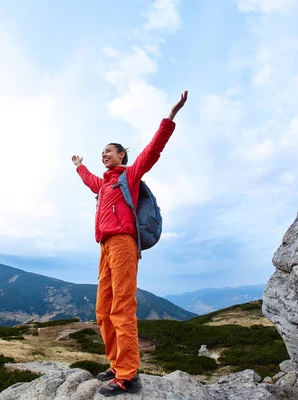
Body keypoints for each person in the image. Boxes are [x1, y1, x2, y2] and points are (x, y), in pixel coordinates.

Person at [71, 91, 187, 397]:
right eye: (102, 153)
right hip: (105, 247)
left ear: (122, 155)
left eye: (108, 151)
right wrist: (79, 166)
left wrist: (170, 118)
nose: (104, 155)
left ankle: (128, 376)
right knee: (102, 310)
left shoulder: (129, 176)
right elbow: (88, 180)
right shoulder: (105, 183)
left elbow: (152, 151)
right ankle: (115, 362)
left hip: (123, 243)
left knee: (121, 307)